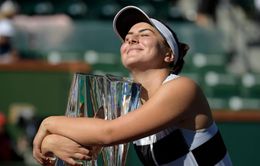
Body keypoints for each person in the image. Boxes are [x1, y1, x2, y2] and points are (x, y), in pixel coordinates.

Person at [33, 6, 232, 166]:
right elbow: (87, 146)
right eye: (128, 36)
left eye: (144, 34)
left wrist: (47, 123)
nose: (131, 38)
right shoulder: (127, 101)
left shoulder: (183, 88)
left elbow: (108, 133)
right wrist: (50, 141)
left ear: (168, 54)